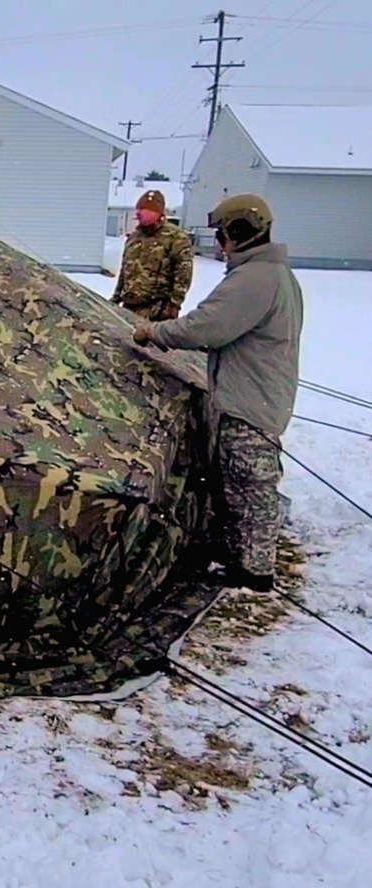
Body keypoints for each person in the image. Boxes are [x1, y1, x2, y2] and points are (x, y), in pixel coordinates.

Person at [133, 194, 304, 593]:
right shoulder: (270, 273)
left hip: (251, 401)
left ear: (241, 232)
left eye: (223, 234)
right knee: (239, 483)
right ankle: (242, 555)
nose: (220, 243)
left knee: (251, 486)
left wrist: (154, 333)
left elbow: (205, 327)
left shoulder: (256, 278)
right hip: (254, 393)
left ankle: (255, 570)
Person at [111, 189, 193, 321]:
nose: (140, 214)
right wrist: (115, 298)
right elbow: (125, 271)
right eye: (139, 209)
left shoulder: (176, 238)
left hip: (157, 310)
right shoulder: (134, 237)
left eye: (145, 210)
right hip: (129, 306)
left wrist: (174, 304)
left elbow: (183, 273)